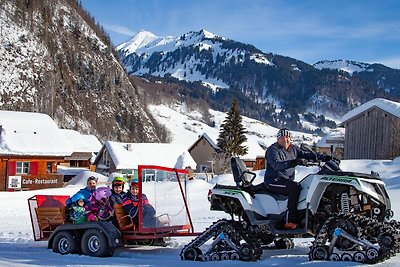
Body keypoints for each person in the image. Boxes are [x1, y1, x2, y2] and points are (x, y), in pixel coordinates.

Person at [263, 128, 331, 229]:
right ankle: (290, 221)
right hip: (273, 181)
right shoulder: (273, 150)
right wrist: (293, 162)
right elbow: (276, 165)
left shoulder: (293, 149)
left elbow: (307, 155)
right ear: (278, 139)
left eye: (287, 137)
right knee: (294, 187)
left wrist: (324, 157)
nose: (285, 139)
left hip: (286, 181)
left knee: (305, 187)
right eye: (282, 137)